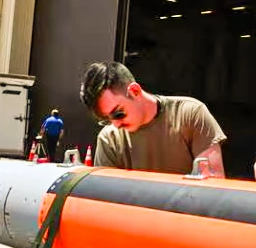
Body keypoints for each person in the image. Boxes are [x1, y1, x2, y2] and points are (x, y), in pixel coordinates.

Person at [79, 61, 227, 176]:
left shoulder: (190, 114)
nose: (116, 125)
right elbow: (107, 200)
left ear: (135, 91)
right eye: (107, 119)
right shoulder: (109, 138)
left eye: (118, 114)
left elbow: (213, 186)